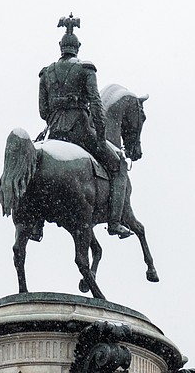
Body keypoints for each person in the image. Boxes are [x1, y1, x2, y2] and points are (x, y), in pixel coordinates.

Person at [38, 23, 131, 237]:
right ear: (77, 47)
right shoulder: (85, 69)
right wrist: (100, 132)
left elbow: (43, 111)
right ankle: (115, 223)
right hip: (79, 132)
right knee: (119, 166)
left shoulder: (46, 73)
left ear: (60, 47)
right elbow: (96, 103)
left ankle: (35, 224)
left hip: (54, 132)